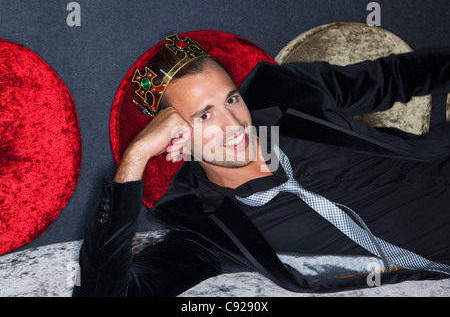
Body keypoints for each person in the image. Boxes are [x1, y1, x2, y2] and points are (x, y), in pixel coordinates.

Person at [73, 34, 450, 297]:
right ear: (175, 138)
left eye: (232, 99)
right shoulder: (207, 232)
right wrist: (135, 157)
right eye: (205, 116)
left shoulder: (286, 96)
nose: (234, 123)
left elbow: (393, 78)